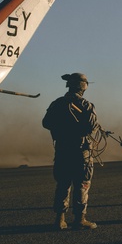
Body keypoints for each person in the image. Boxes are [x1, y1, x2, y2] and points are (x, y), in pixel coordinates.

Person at [42, 72, 99, 230]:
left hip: (62, 151)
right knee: (82, 184)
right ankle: (80, 219)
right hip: (81, 153)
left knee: (63, 184)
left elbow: (46, 123)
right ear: (84, 87)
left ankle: (59, 220)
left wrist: (61, 127)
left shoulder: (57, 103)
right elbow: (92, 127)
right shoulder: (86, 105)